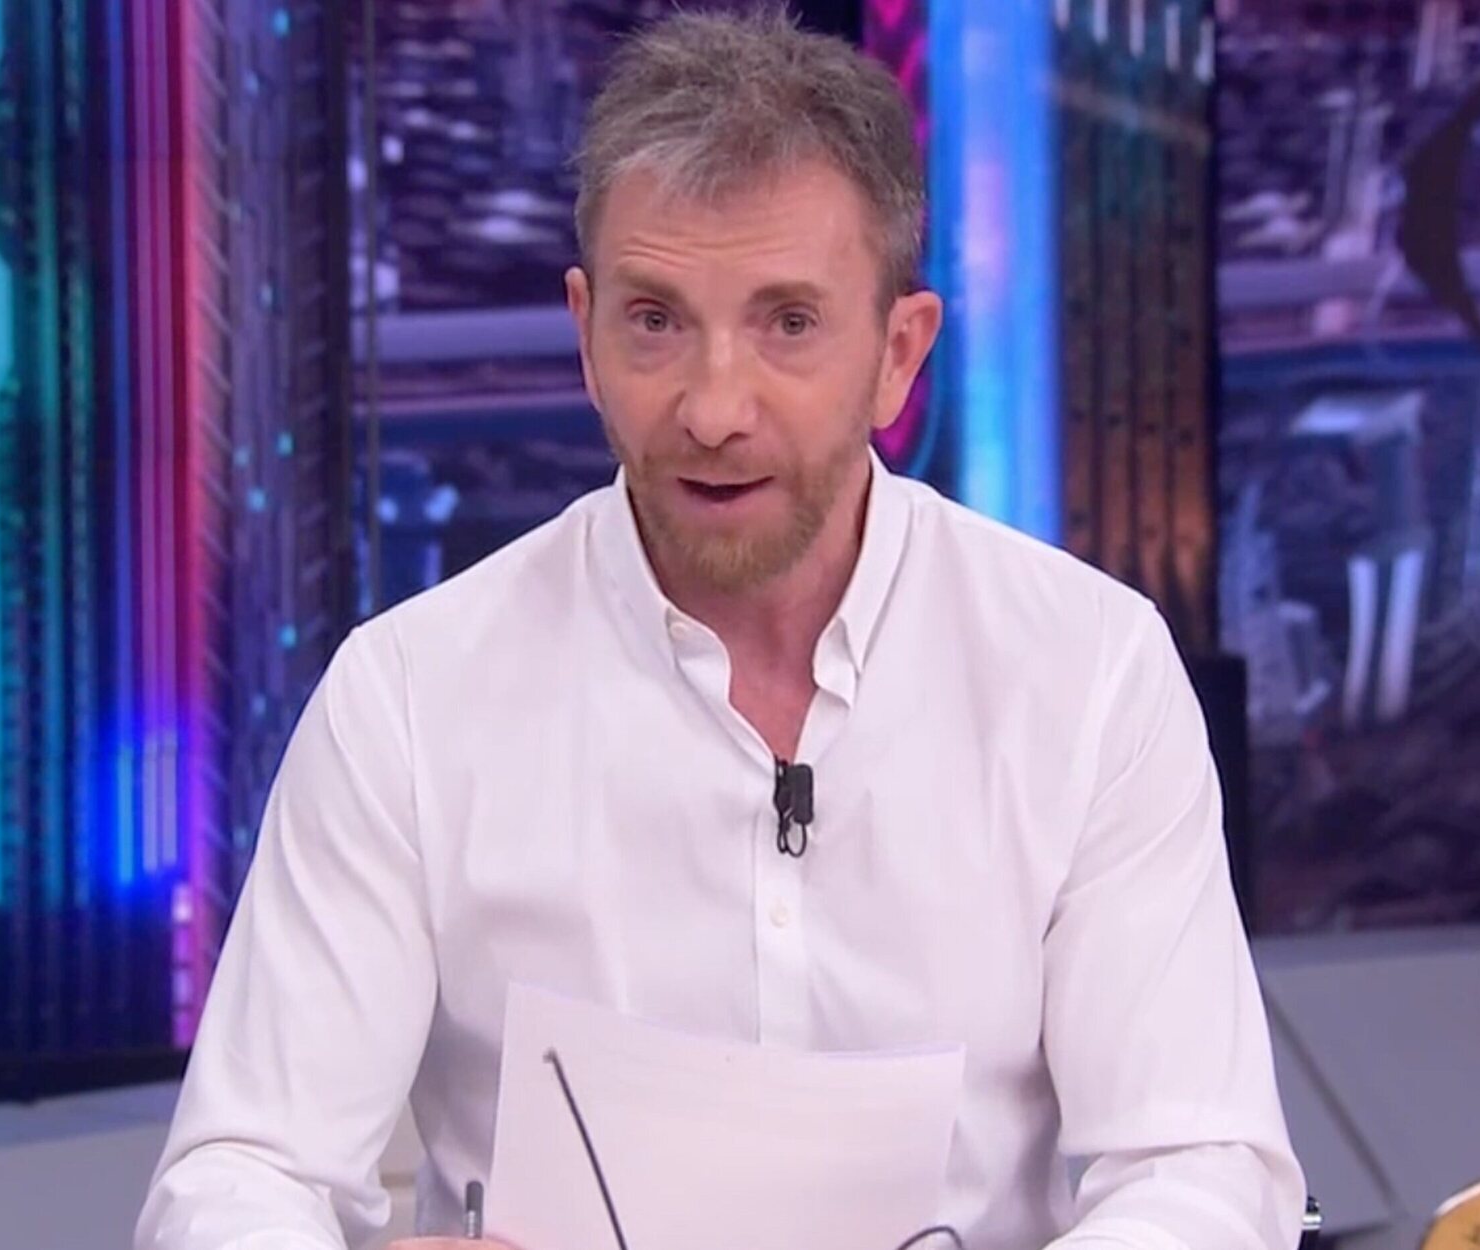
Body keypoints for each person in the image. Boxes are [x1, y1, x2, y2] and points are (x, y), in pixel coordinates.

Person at [135, 10, 1305, 1250]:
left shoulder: (1088, 671)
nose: (711, 407)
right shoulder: (410, 697)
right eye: (654, 319)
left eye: (787, 322)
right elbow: (239, 1176)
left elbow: (1196, 1166)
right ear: (586, 333)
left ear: (897, 352)